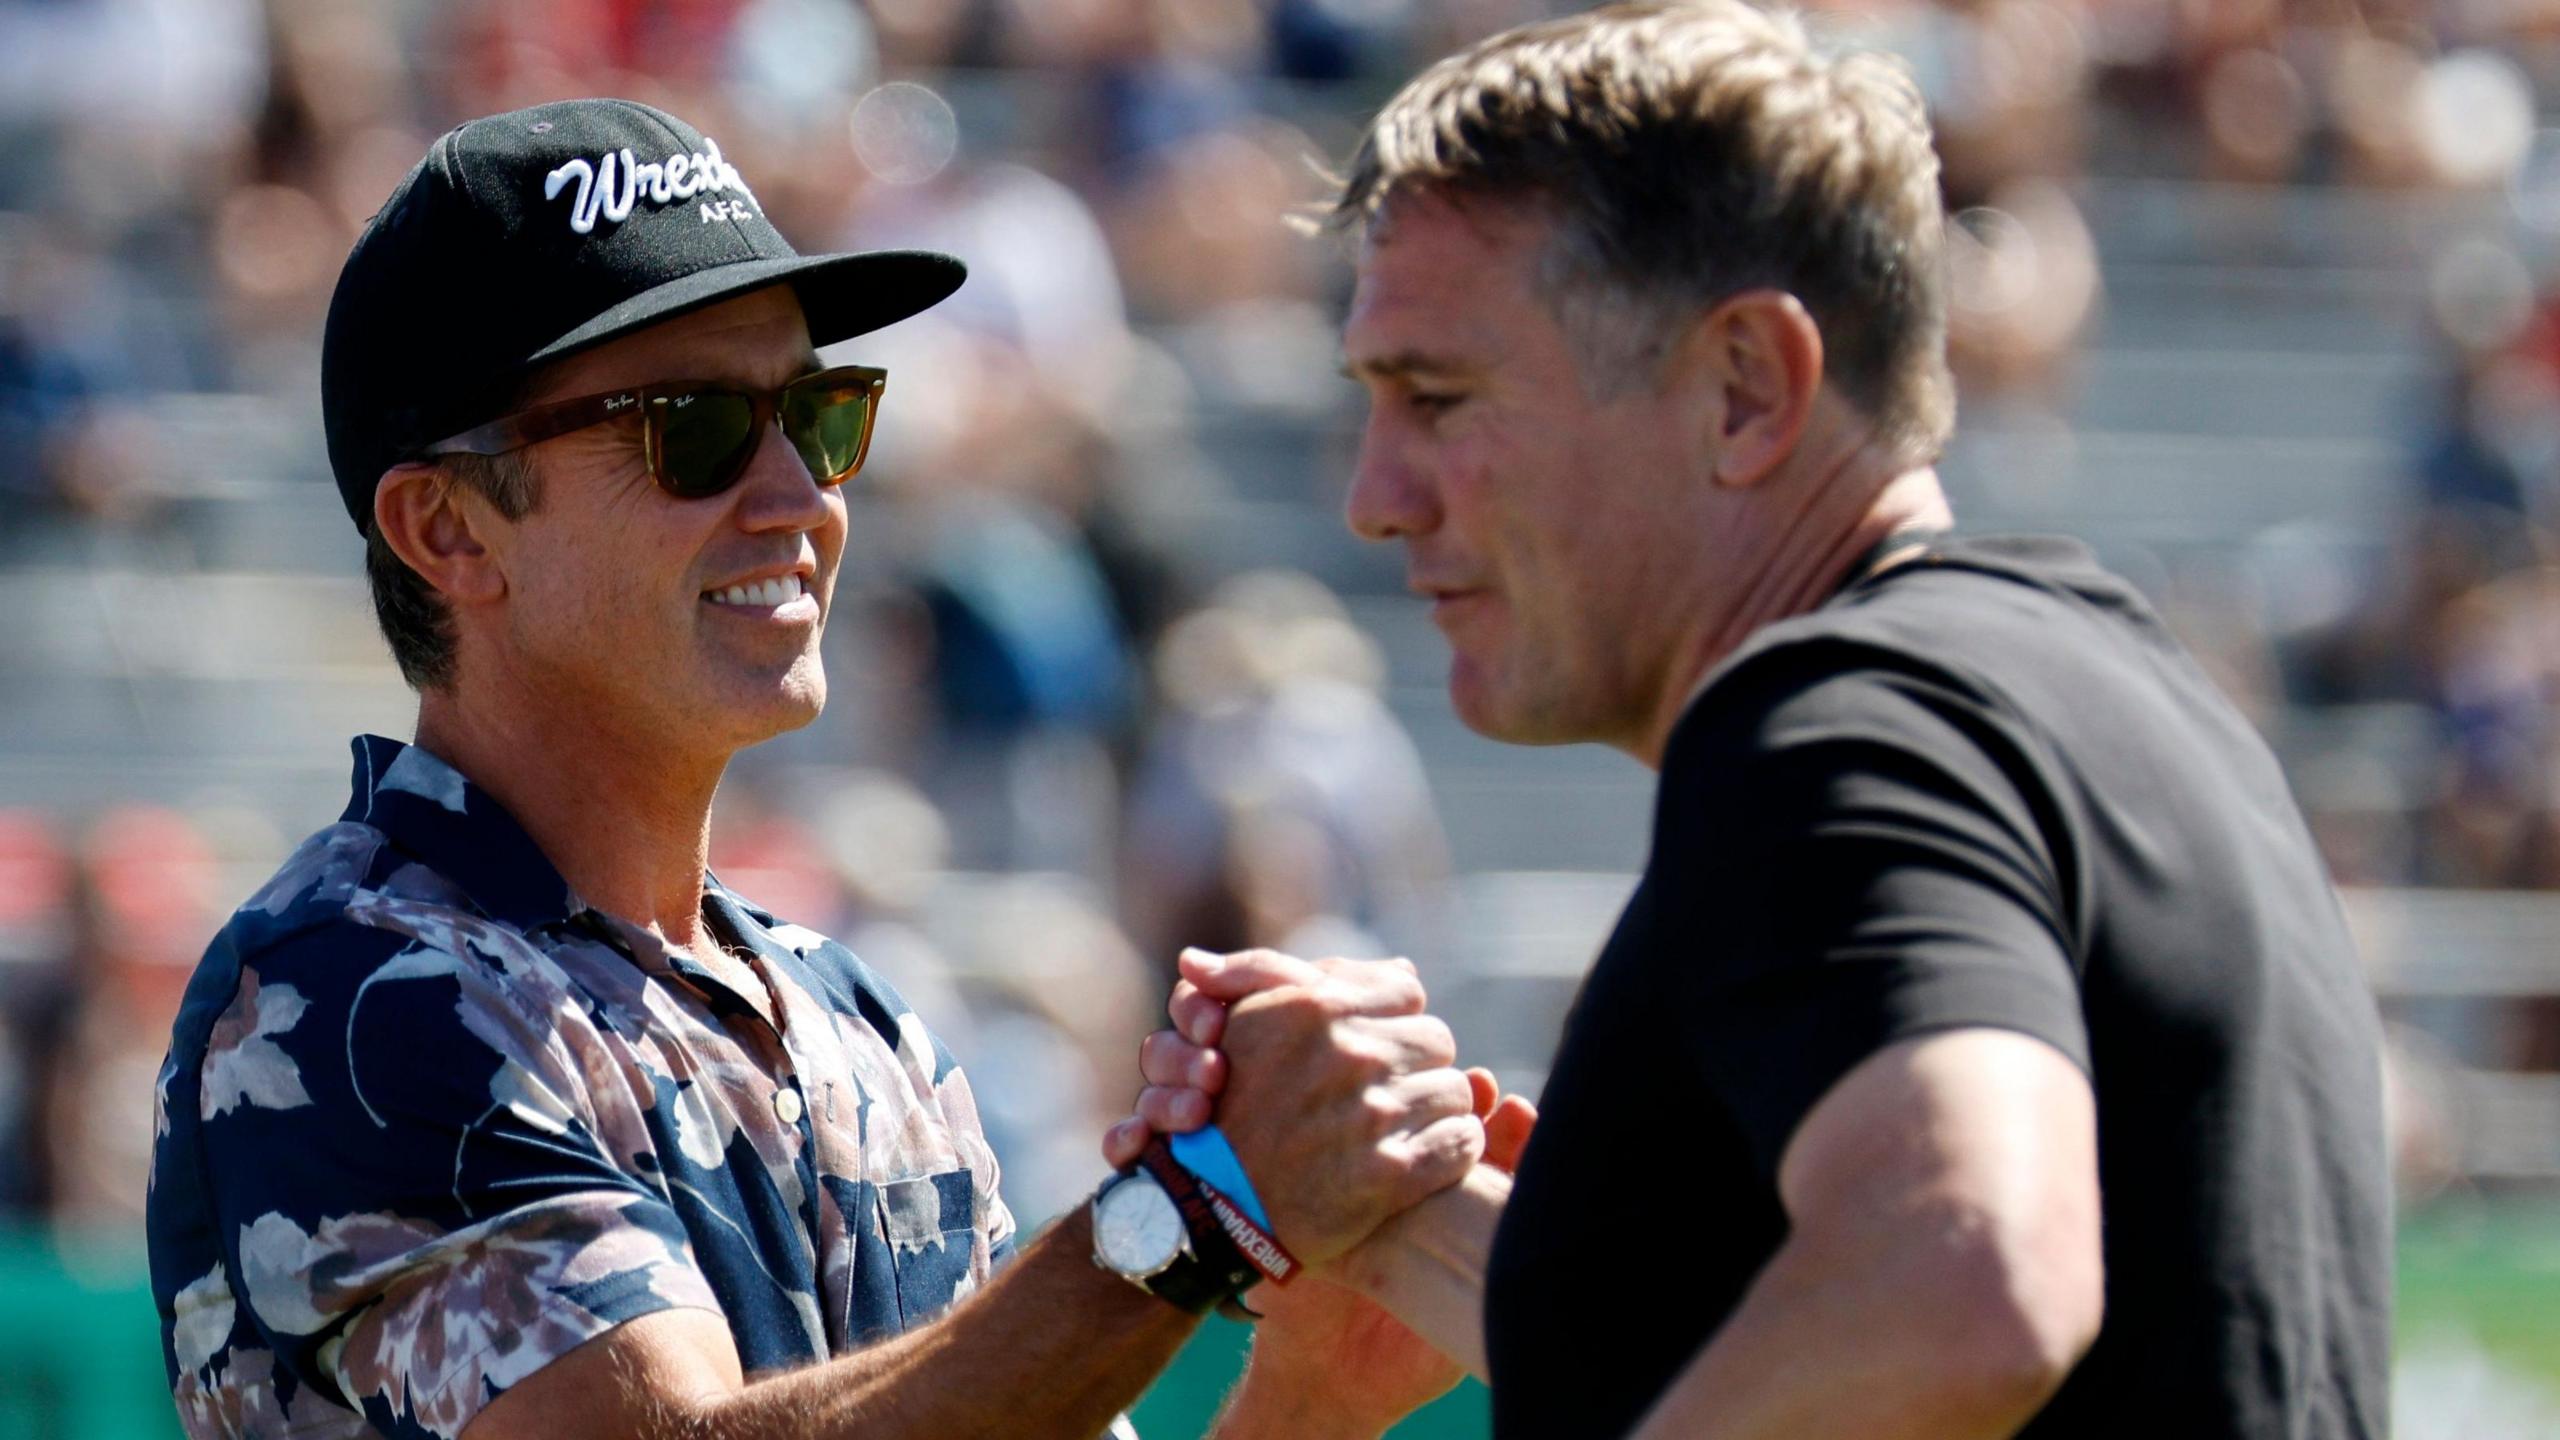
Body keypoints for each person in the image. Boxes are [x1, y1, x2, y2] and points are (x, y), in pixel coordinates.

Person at [1122, 4, 2394, 1437]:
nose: (1376, 495)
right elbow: (1856, 1350)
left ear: (1744, 389)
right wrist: (1392, 1221)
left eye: (1439, 395)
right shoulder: (2096, 693)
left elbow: (1967, 1285)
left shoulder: (1842, 731)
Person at [143, 98, 1488, 1440]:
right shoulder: (346, 990)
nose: (803, 493)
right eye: (697, 428)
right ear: (447, 528)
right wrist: (1193, 1216)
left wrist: (1310, 1399)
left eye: (820, 412)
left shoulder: (852, 1017)